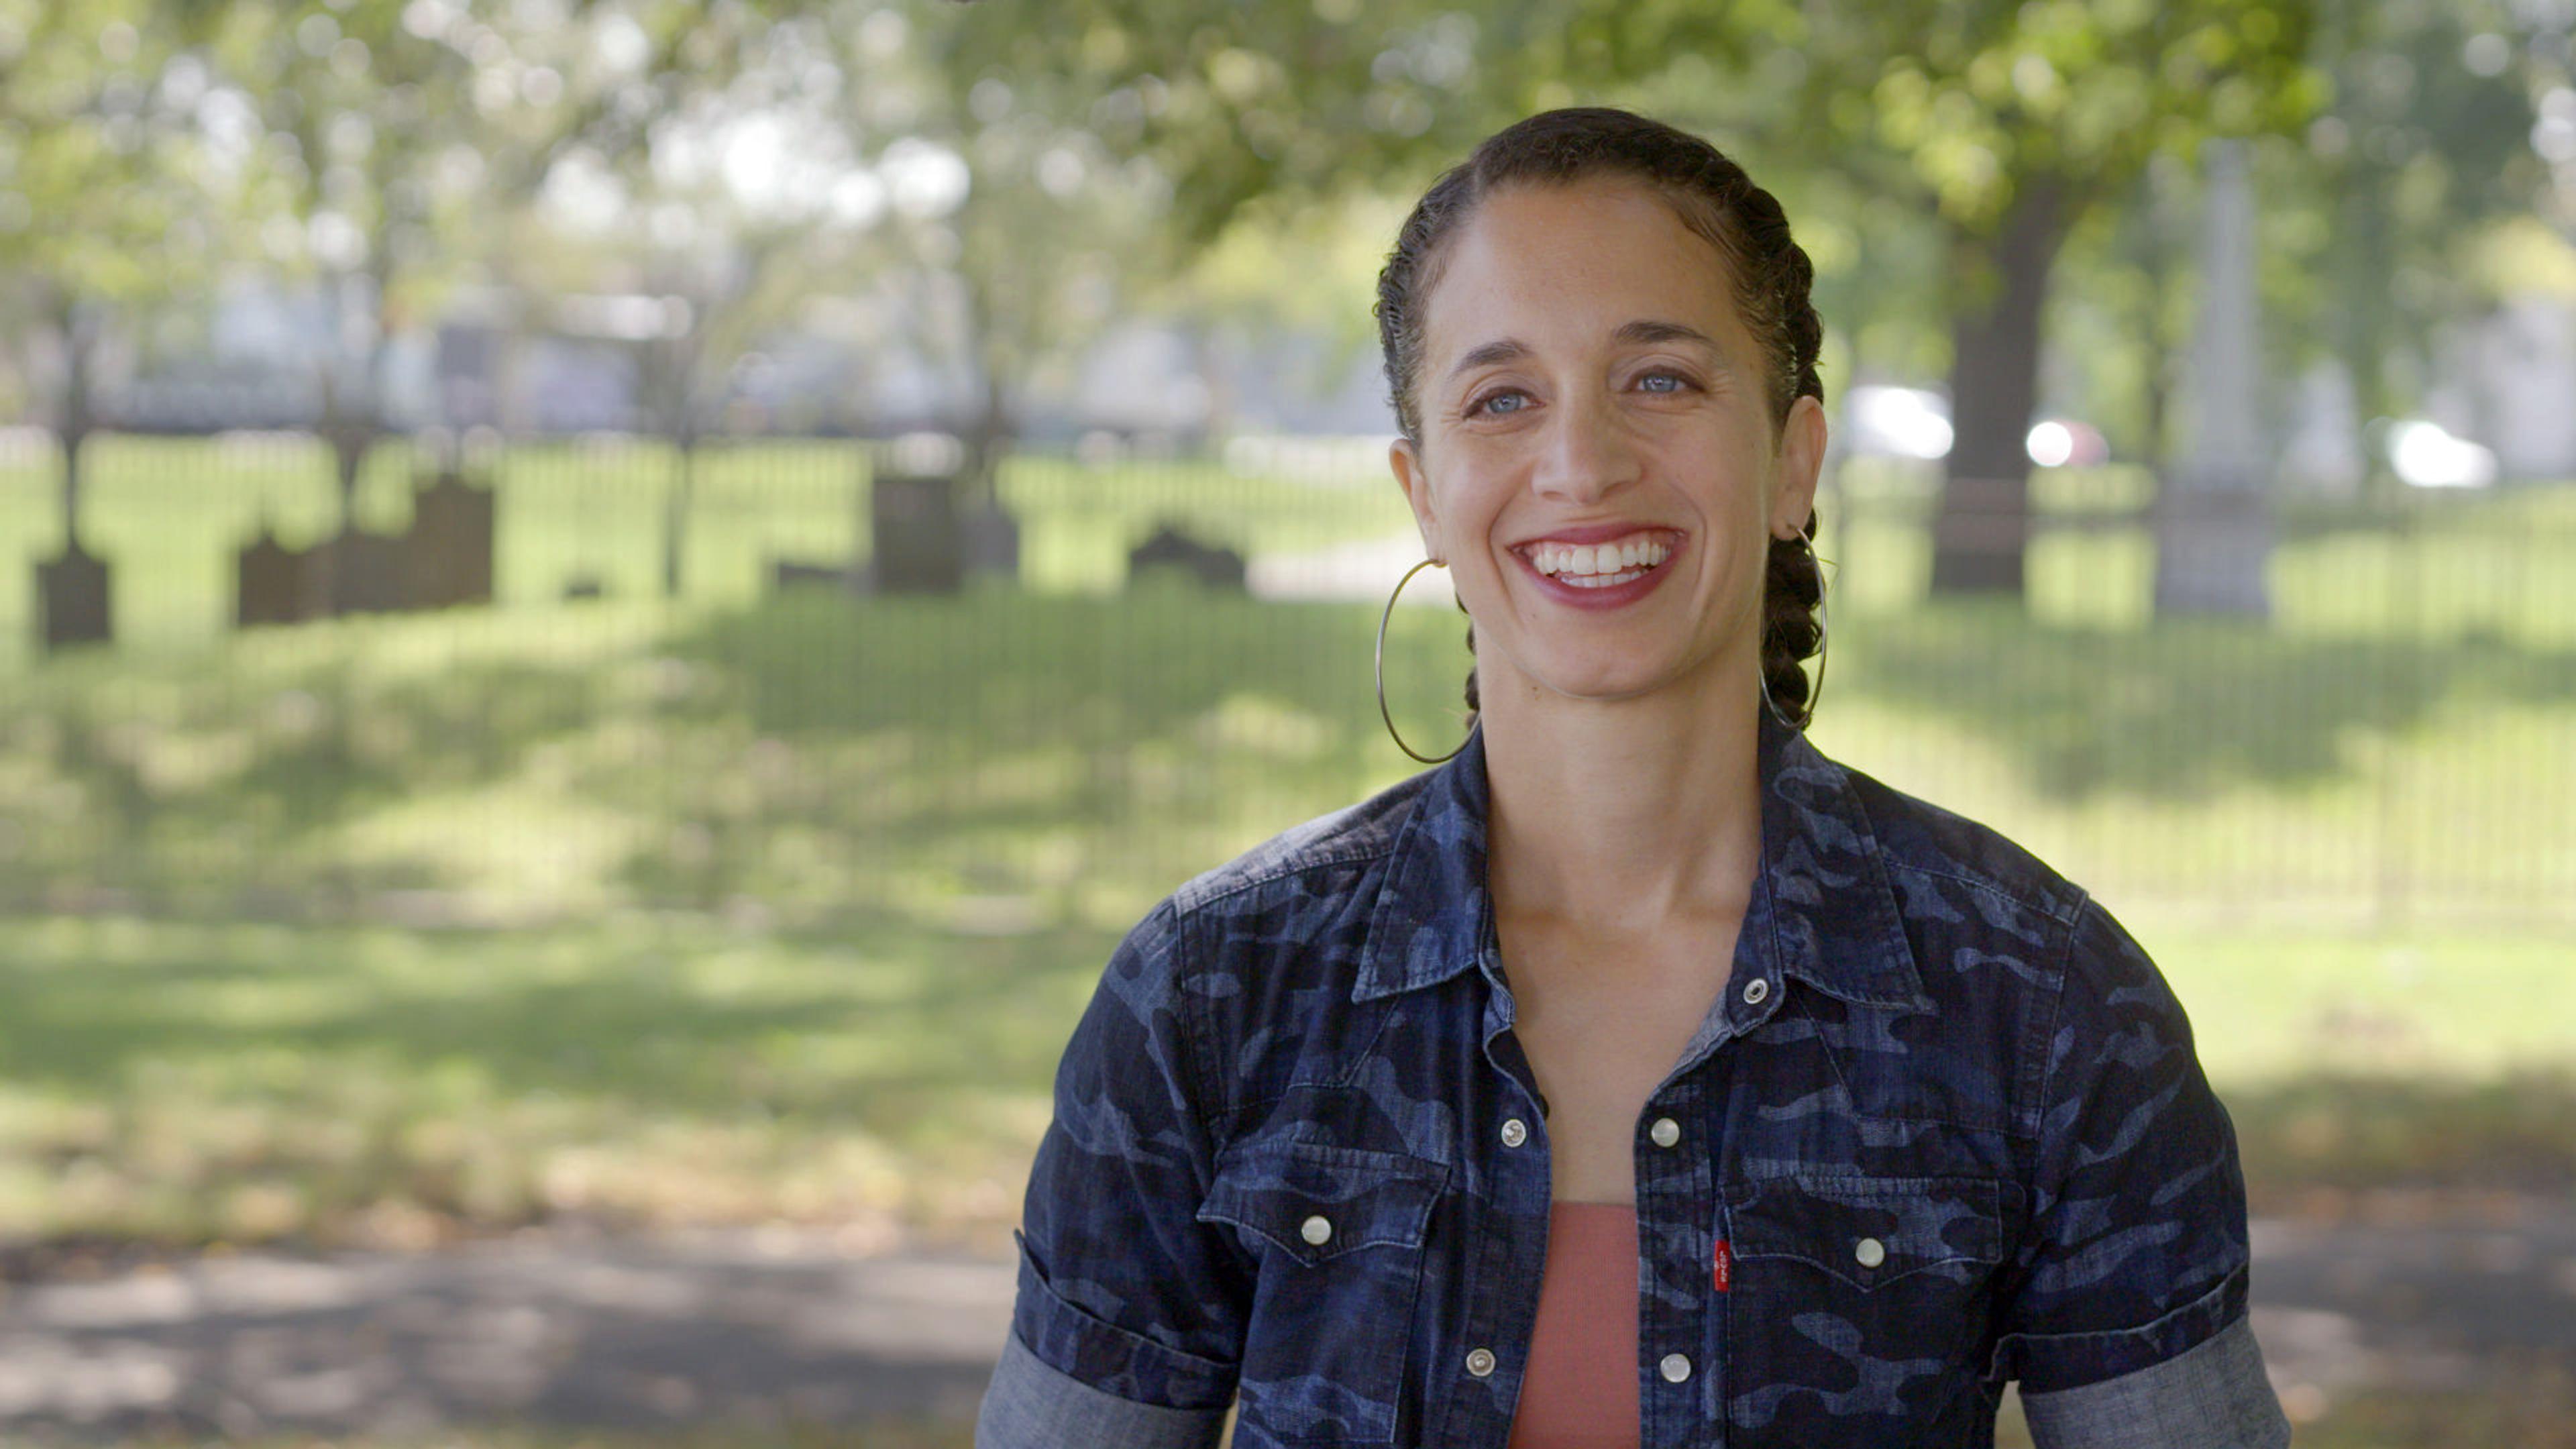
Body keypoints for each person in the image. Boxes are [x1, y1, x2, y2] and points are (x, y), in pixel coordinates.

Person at [976, 107, 2288, 1449]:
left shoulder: (2042, 1002)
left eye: (1659, 379)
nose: (1583, 463)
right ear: (1423, 492)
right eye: (1503, 398)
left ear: (1791, 460)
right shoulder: (1212, 997)